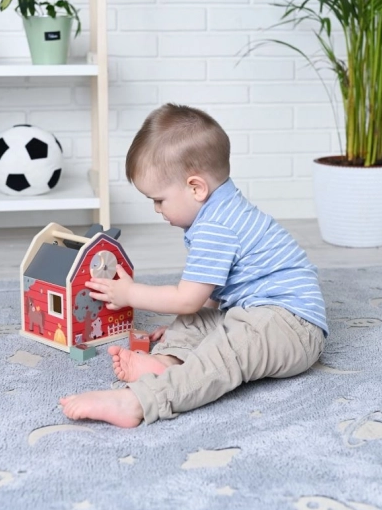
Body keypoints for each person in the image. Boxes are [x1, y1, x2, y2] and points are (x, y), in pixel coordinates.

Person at [60, 103, 328, 428]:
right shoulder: (222, 208)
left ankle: (140, 401)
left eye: (159, 200)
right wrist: (196, 323)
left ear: (195, 188)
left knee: (226, 352)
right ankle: (166, 360)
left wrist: (129, 293)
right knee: (194, 319)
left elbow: (187, 296)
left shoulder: (216, 227)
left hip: (292, 328)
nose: (157, 210)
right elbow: (212, 294)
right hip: (256, 312)